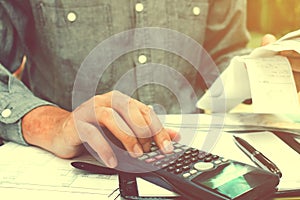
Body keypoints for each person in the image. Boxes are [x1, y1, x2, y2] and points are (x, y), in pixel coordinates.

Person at [0, 0, 251, 168]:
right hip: (69, 162)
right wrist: (53, 125)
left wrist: (258, 74)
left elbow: (223, 51)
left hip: (190, 155)